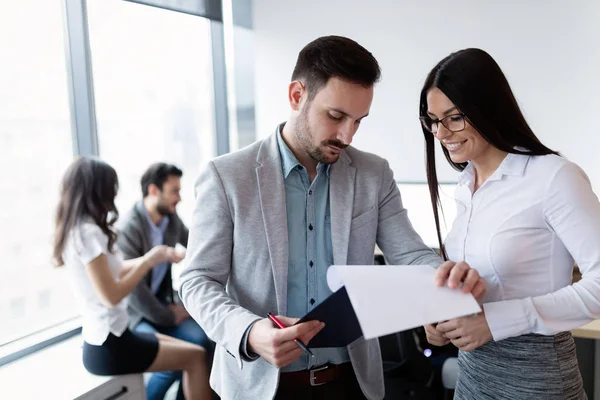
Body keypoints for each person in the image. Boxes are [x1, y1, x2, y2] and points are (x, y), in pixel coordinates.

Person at [179, 35, 485, 400]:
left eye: (358, 120)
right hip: (261, 386)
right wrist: (250, 332)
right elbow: (196, 280)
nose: (347, 134)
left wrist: (444, 282)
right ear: (296, 96)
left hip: (351, 382)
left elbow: (411, 255)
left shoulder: (374, 174)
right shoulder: (226, 176)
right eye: (336, 116)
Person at [419, 48, 599, 399]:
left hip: (537, 382)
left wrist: (497, 322)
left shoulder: (554, 177)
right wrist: (439, 316)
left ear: (489, 109)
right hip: (472, 380)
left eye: (454, 118)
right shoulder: (465, 185)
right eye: (433, 120)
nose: (441, 134)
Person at [53, 156, 211, 400]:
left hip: (112, 336)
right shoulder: (89, 233)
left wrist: (154, 257)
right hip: (111, 344)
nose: (114, 196)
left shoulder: (79, 230)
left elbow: (112, 272)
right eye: (110, 188)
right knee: (195, 357)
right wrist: (148, 261)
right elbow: (111, 296)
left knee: (196, 349)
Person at [117, 162, 214, 400]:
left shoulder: (170, 219)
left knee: (204, 343)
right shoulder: (129, 228)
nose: (179, 198)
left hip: (164, 305)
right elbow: (135, 294)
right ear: (153, 191)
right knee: (173, 362)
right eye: (174, 191)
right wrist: (171, 316)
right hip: (137, 313)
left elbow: (196, 244)